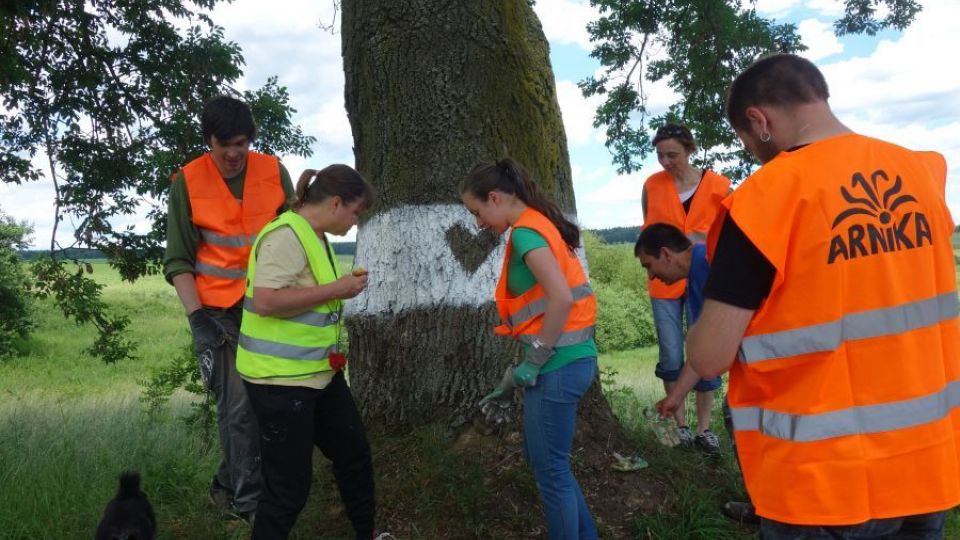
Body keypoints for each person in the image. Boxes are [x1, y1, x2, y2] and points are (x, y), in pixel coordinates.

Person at [687, 53, 960, 538]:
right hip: (924, 461)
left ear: (759, 120)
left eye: (746, 140)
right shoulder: (921, 175)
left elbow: (708, 357)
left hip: (821, 482)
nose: (751, 152)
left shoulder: (765, 198)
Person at [236, 165, 389, 540]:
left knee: (354, 456)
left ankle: (366, 534)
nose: (355, 222)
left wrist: (338, 288)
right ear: (336, 203)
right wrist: (337, 289)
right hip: (279, 382)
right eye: (355, 212)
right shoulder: (286, 235)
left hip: (319, 375)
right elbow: (266, 301)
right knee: (287, 489)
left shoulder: (313, 234)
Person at [163, 95, 296, 521]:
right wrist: (197, 319)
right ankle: (249, 506)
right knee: (237, 406)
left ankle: (225, 482)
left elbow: (296, 236)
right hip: (215, 312)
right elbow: (178, 260)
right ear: (209, 141)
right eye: (225, 144)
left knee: (266, 400)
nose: (235, 153)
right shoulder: (187, 181)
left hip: (268, 306)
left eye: (242, 143)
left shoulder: (274, 172)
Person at [464, 158, 599, 540]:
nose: (478, 222)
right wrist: (516, 373)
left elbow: (559, 299)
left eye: (477, 212)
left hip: (558, 366)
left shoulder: (526, 233)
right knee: (555, 467)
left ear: (495, 197)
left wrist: (535, 359)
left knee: (551, 474)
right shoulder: (540, 224)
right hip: (570, 361)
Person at [640, 123, 730, 447]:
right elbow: (649, 237)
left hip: (704, 279)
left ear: (690, 150)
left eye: (672, 154)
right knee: (671, 354)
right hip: (664, 284)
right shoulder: (651, 186)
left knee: (703, 349)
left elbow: (731, 234)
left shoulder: (720, 186)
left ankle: (705, 430)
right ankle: (679, 427)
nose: (666, 161)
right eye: (660, 155)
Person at [636, 223, 721, 456]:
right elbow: (705, 349)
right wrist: (675, 397)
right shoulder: (695, 277)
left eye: (649, 266)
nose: (651, 276)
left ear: (665, 254)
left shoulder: (714, 261)